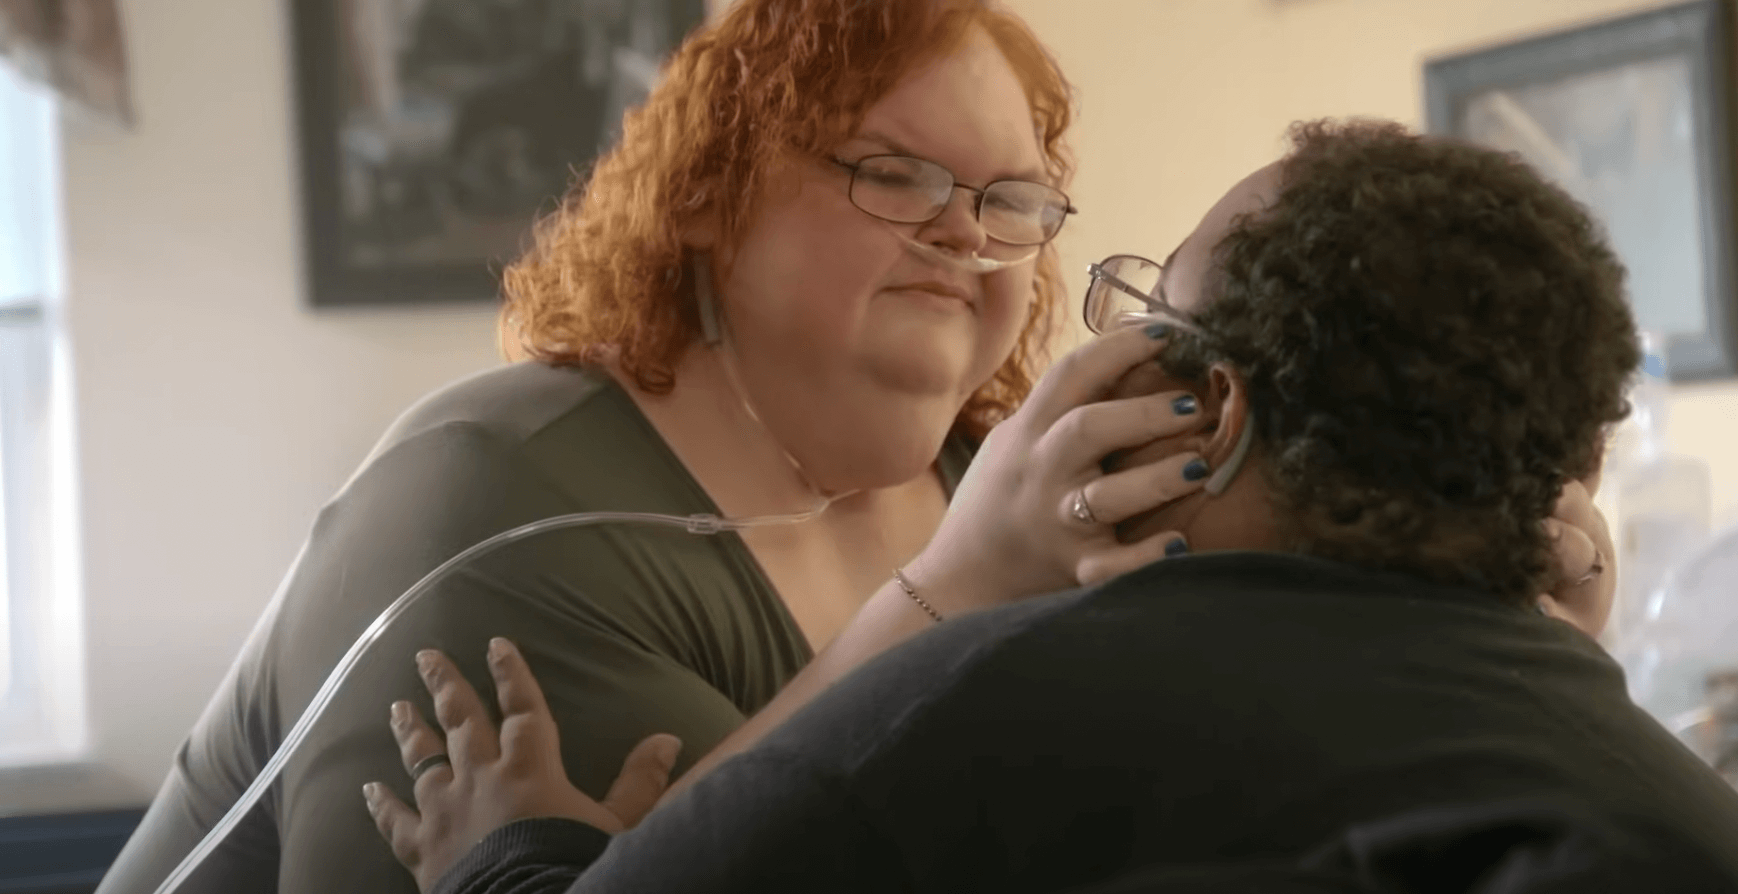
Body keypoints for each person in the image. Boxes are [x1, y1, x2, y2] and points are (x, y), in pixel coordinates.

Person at [363, 120, 1738, 893]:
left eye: (1148, 314)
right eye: (888, 173)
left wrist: (505, 858)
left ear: (1206, 409)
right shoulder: (1673, 805)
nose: (961, 237)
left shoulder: (968, 721)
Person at [97, 2, 1223, 893]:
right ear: (705, 196)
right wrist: (961, 586)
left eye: (1012, 199)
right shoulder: (498, 501)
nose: (965, 231)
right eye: (890, 172)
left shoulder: (994, 482)